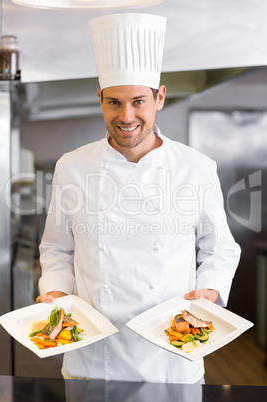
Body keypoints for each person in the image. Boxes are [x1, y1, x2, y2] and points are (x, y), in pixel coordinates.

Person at [36, 13, 241, 383]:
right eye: (113, 102)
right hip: (92, 356)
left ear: (159, 97)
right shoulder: (72, 167)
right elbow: (56, 248)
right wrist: (54, 291)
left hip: (172, 356)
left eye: (138, 102)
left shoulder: (196, 168)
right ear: (99, 99)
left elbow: (219, 248)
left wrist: (210, 290)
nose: (126, 115)